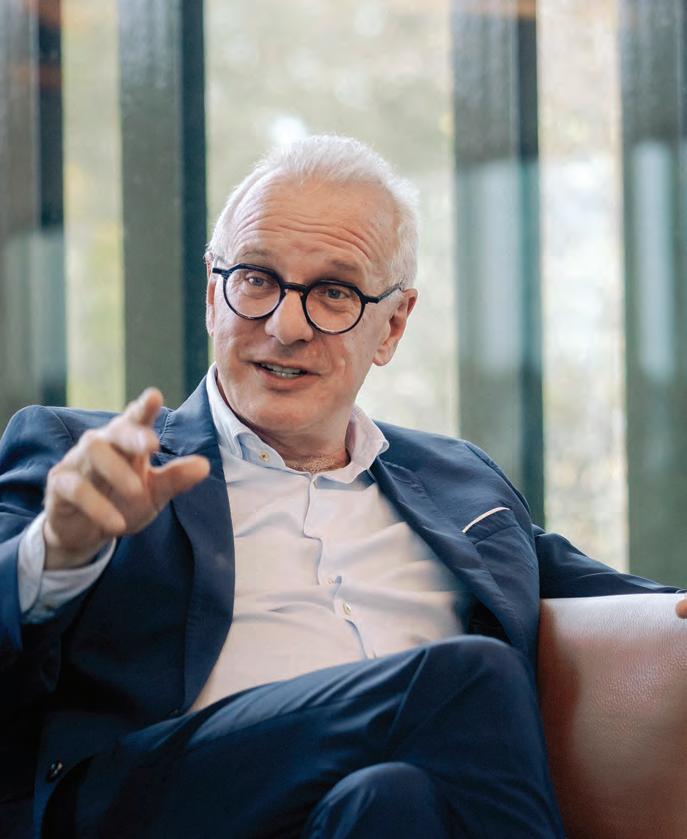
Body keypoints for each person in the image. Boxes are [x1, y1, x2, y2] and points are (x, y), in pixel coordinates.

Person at [0, 135, 685, 839]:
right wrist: (55, 550)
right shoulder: (88, 458)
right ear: (212, 295)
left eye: (334, 293)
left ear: (392, 326)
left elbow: (626, 595)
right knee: (465, 677)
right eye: (256, 279)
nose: (285, 325)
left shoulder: (459, 483)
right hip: (153, 807)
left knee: (392, 798)